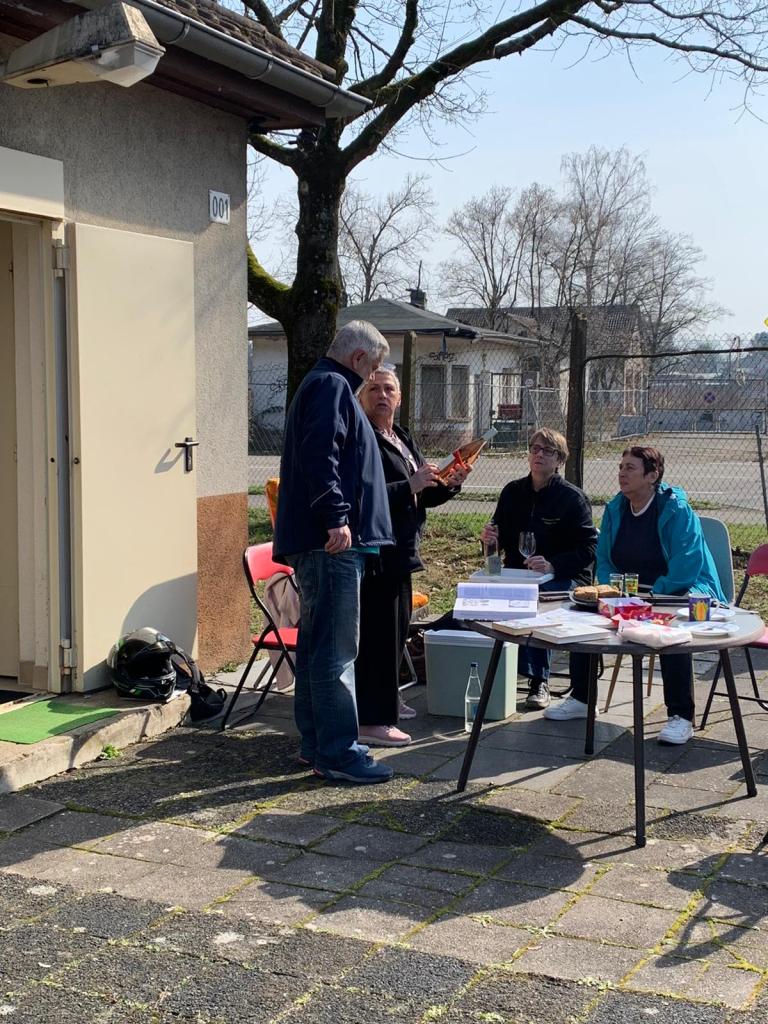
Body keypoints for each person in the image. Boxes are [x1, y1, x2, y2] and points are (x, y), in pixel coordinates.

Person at [273, 321, 395, 784]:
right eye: (374, 367)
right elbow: (320, 454)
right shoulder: (332, 386)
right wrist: (336, 517)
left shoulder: (321, 383)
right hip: (332, 543)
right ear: (359, 358)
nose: (374, 376)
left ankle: (316, 744)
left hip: (321, 541)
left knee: (317, 646)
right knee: (336, 650)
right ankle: (339, 752)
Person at [545, 445, 725, 745]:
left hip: (679, 589)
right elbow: (604, 559)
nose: (622, 473)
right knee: (580, 614)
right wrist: (612, 592)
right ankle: (582, 698)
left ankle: (681, 716)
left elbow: (687, 564)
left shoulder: (676, 509)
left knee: (671, 630)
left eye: (630, 468)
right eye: (620, 467)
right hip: (630, 591)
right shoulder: (616, 507)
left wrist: (654, 596)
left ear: (652, 475)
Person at [354, 367, 469, 746]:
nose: (381, 395)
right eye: (373, 389)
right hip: (378, 551)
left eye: (389, 389)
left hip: (403, 550)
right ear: (362, 396)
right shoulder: (362, 437)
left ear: (400, 397)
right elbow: (363, 496)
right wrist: (410, 484)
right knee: (378, 635)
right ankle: (372, 720)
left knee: (396, 630)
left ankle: (387, 699)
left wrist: (448, 485)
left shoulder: (401, 436)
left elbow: (421, 494)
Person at [481, 428, 598, 710]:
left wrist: (553, 564)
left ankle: (538, 680)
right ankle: (473, 665)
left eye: (547, 451)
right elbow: (496, 548)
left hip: (565, 577)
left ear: (560, 460)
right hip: (517, 574)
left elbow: (590, 548)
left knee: (535, 599)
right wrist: (489, 542)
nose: (539, 455)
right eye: (534, 449)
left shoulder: (572, 498)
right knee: (476, 599)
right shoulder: (512, 492)